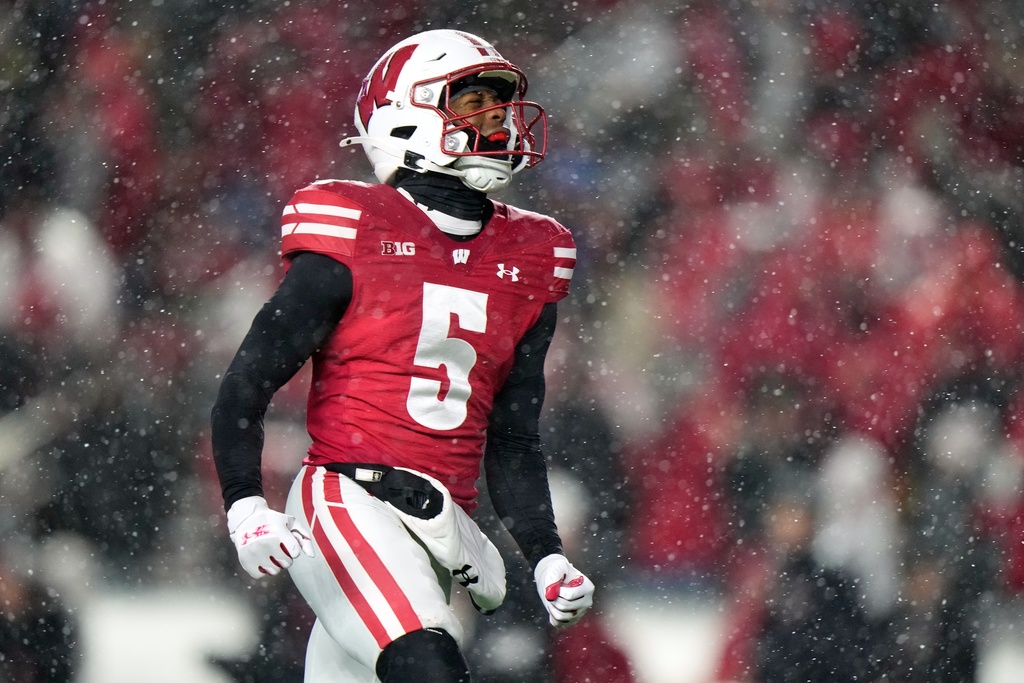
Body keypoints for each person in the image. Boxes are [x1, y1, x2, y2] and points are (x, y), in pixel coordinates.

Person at [210, 29, 595, 683]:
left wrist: (544, 553)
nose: (497, 120)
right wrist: (246, 504)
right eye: (472, 103)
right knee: (428, 662)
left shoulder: (529, 257)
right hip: (346, 499)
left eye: (499, 107)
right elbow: (247, 381)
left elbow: (512, 434)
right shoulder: (355, 227)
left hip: (443, 525)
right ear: (404, 115)